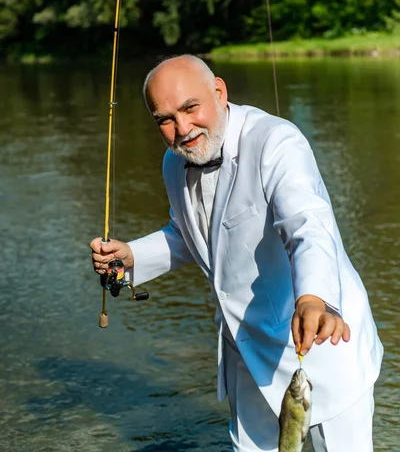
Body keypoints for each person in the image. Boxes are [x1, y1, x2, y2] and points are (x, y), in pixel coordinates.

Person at [91, 55, 383, 451]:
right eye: (165, 119)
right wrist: (132, 257)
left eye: (191, 108)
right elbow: (193, 233)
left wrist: (314, 298)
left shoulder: (276, 140)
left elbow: (308, 225)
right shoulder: (173, 163)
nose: (182, 129)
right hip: (243, 354)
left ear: (219, 92)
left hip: (318, 342)